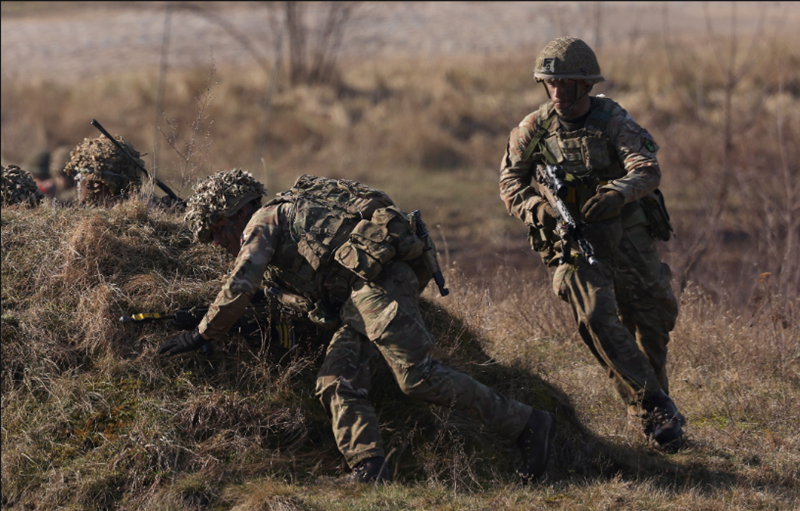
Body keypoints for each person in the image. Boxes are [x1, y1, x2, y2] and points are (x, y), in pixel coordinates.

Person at [159, 169, 557, 483]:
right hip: (358, 300)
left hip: (380, 286)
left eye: (216, 232)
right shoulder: (285, 226)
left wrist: (202, 334)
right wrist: (201, 316)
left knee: (416, 377)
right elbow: (282, 295)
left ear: (235, 212)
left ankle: (528, 423)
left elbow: (240, 283)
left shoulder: (263, 222)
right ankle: (371, 470)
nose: (217, 242)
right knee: (336, 382)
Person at [499, 37, 685, 452]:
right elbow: (510, 182)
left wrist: (618, 193)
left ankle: (660, 418)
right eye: (551, 84)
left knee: (651, 323)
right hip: (572, 239)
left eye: (567, 84)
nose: (558, 93)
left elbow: (647, 168)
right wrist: (537, 209)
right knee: (597, 317)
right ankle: (653, 408)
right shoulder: (535, 128)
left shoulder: (613, 120)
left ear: (586, 85)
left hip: (628, 235)